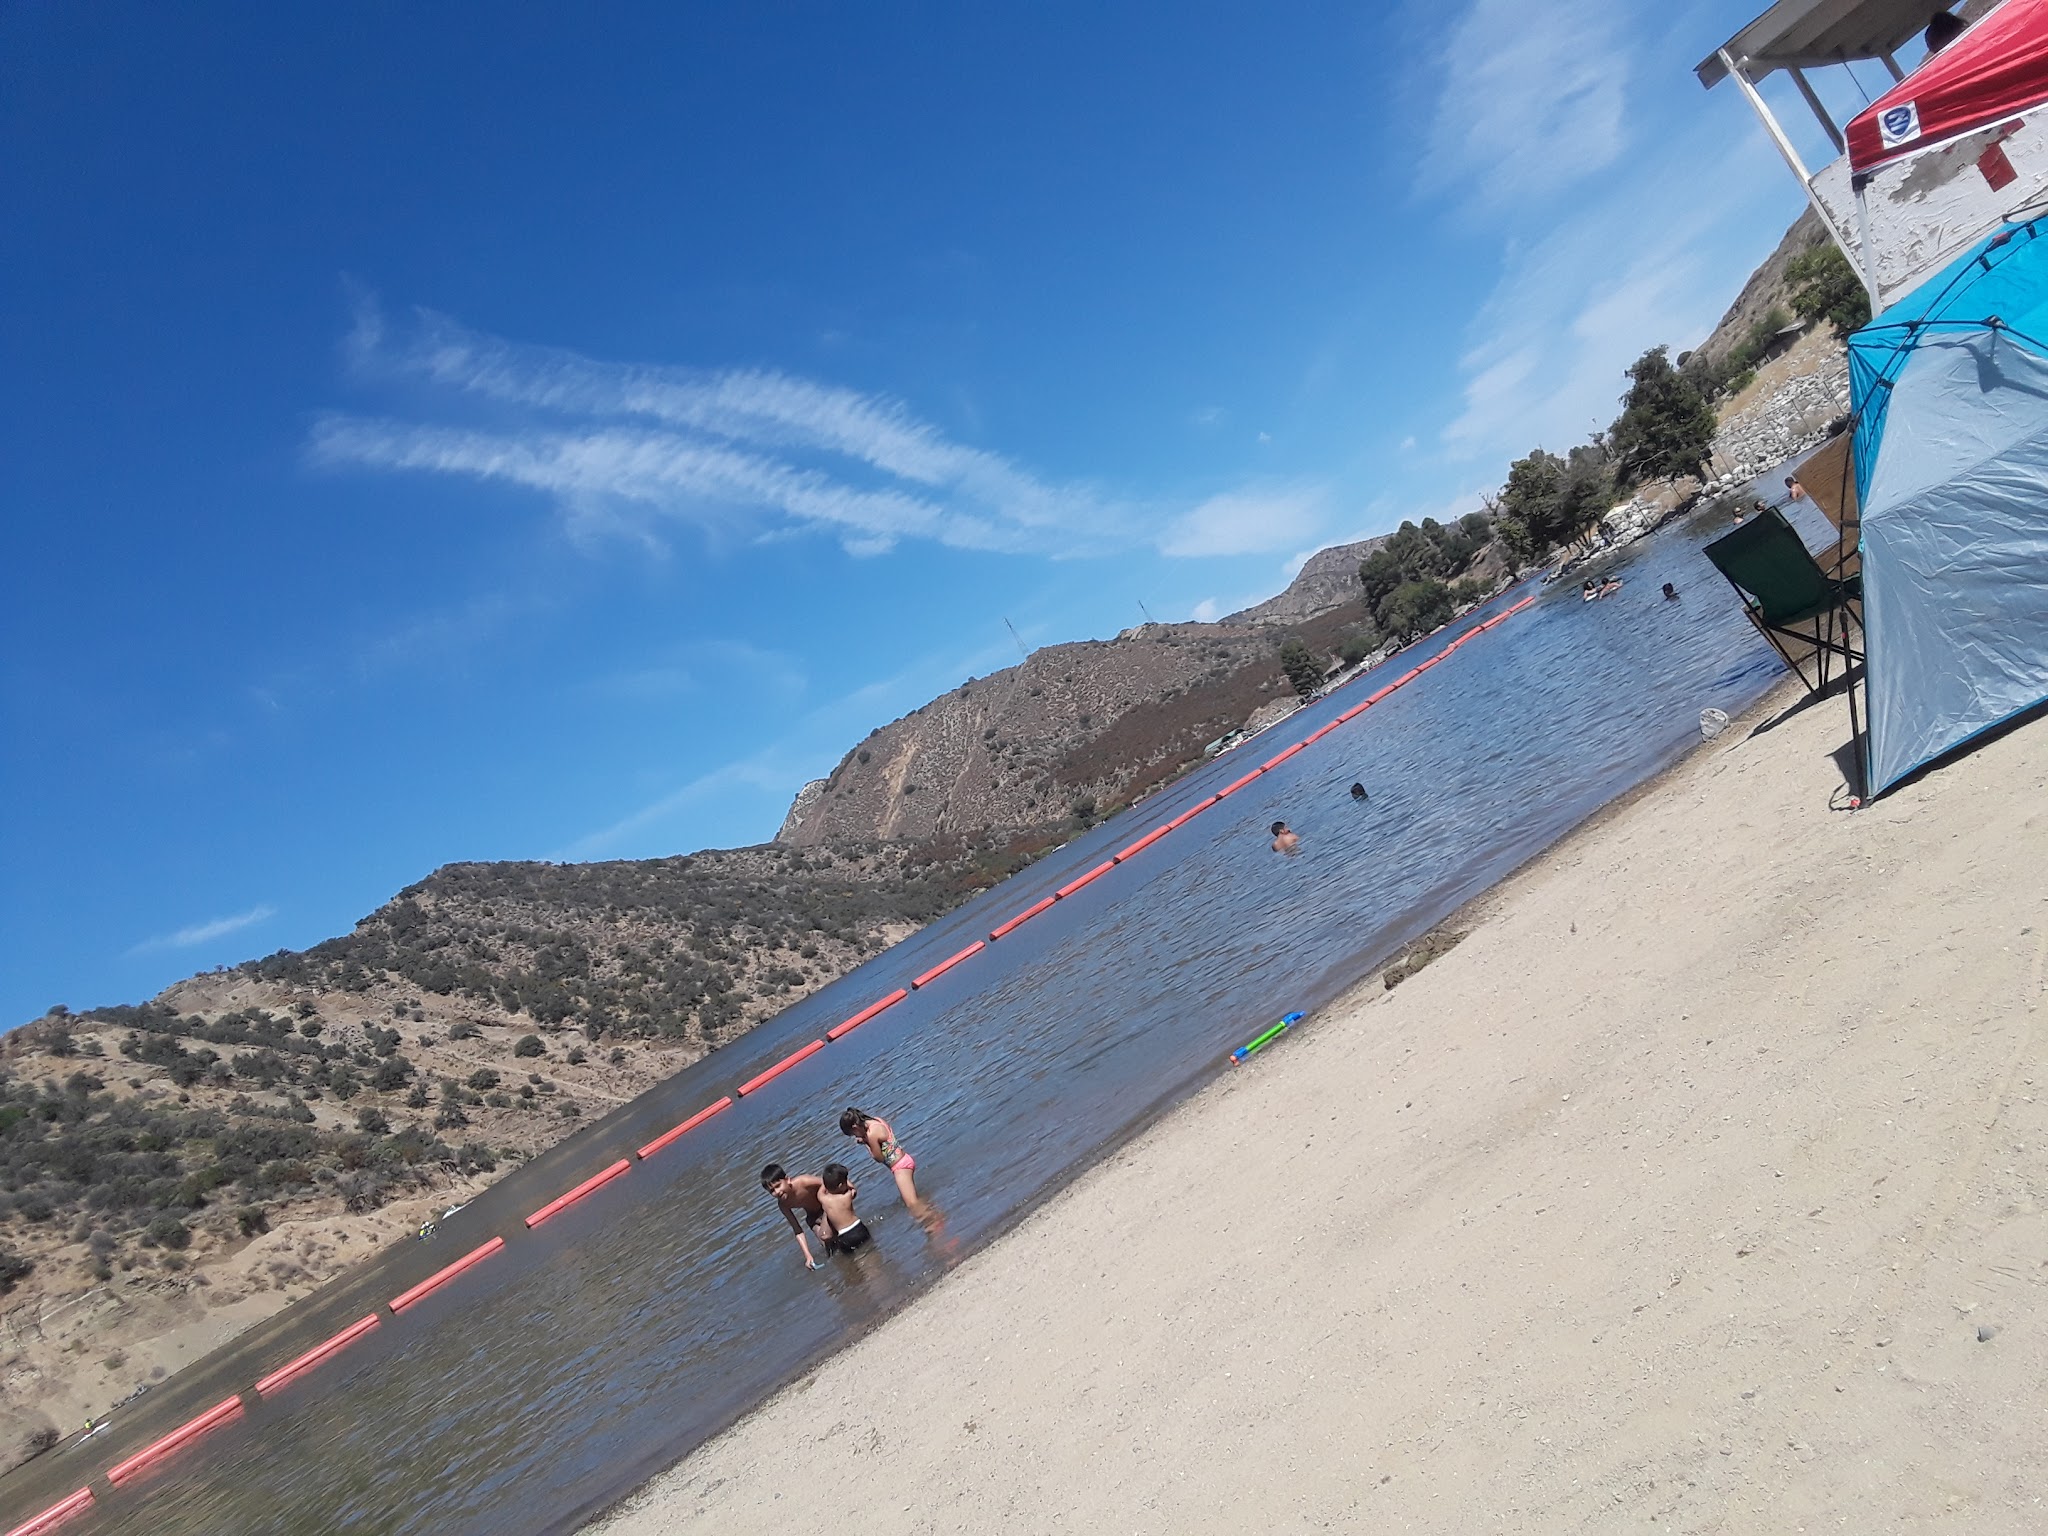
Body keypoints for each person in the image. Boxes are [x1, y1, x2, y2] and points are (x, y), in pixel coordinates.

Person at [840, 1106, 922, 1211]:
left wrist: (866, 1142)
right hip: (905, 1158)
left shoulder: (871, 1135)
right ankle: (935, 1218)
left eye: (853, 1134)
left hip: (900, 1168)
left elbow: (878, 1157)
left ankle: (933, 1223)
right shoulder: (877, 1120)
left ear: (855, 1127)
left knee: (912, 1204)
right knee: (914, 1198)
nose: (856, 1137)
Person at [761, 1163, 831, 1269]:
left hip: (827, 1208)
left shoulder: (803, 1181)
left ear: (788, 1180)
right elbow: (797, 1230)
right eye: (772, 1191)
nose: (777, 1192)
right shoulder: (783, 1205)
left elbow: (827, 1183)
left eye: (778, 1186)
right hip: (813, 1218)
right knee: (829, 1248)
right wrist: (808, 1255)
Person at [817, 1163, 871, 1253]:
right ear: (841, 1185)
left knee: (853, 1260)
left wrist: (826, 1181)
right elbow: (853, 1188)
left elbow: (820, 1192)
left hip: (845, 1235)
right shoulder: (848, 1195)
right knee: (872, 1252)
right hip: (859, 1227)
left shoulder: (824, 1199)